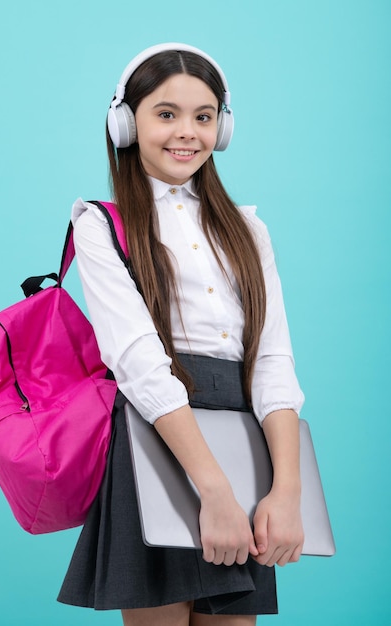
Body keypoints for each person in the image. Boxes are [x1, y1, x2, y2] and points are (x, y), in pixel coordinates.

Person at [57, 42, 305, 626]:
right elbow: (139, 363)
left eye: (204, 115)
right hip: (158, 438)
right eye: (165, 113)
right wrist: (213, 492)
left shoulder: (248, 228)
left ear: (222, 128)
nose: (186, 132)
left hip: (244, 443)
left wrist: (286, 490)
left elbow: (271, 363)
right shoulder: (100, 223)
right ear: (126, 122)